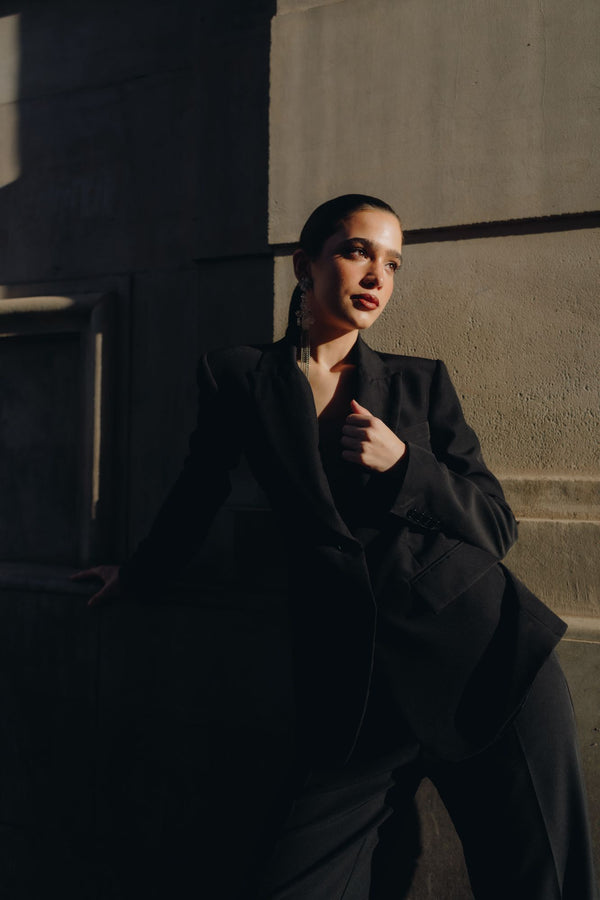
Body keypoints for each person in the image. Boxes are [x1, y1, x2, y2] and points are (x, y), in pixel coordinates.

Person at [74, 195, 598, 899]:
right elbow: (196, 496)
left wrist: (406, 465)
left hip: (487, 664)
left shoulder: (420, 383)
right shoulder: (238, 376)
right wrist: (137, 574)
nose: (377, 276)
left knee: (538, 883)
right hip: (355, 687)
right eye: (357, 252)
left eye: (393, 263)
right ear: (305, 264)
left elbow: (495, 527)